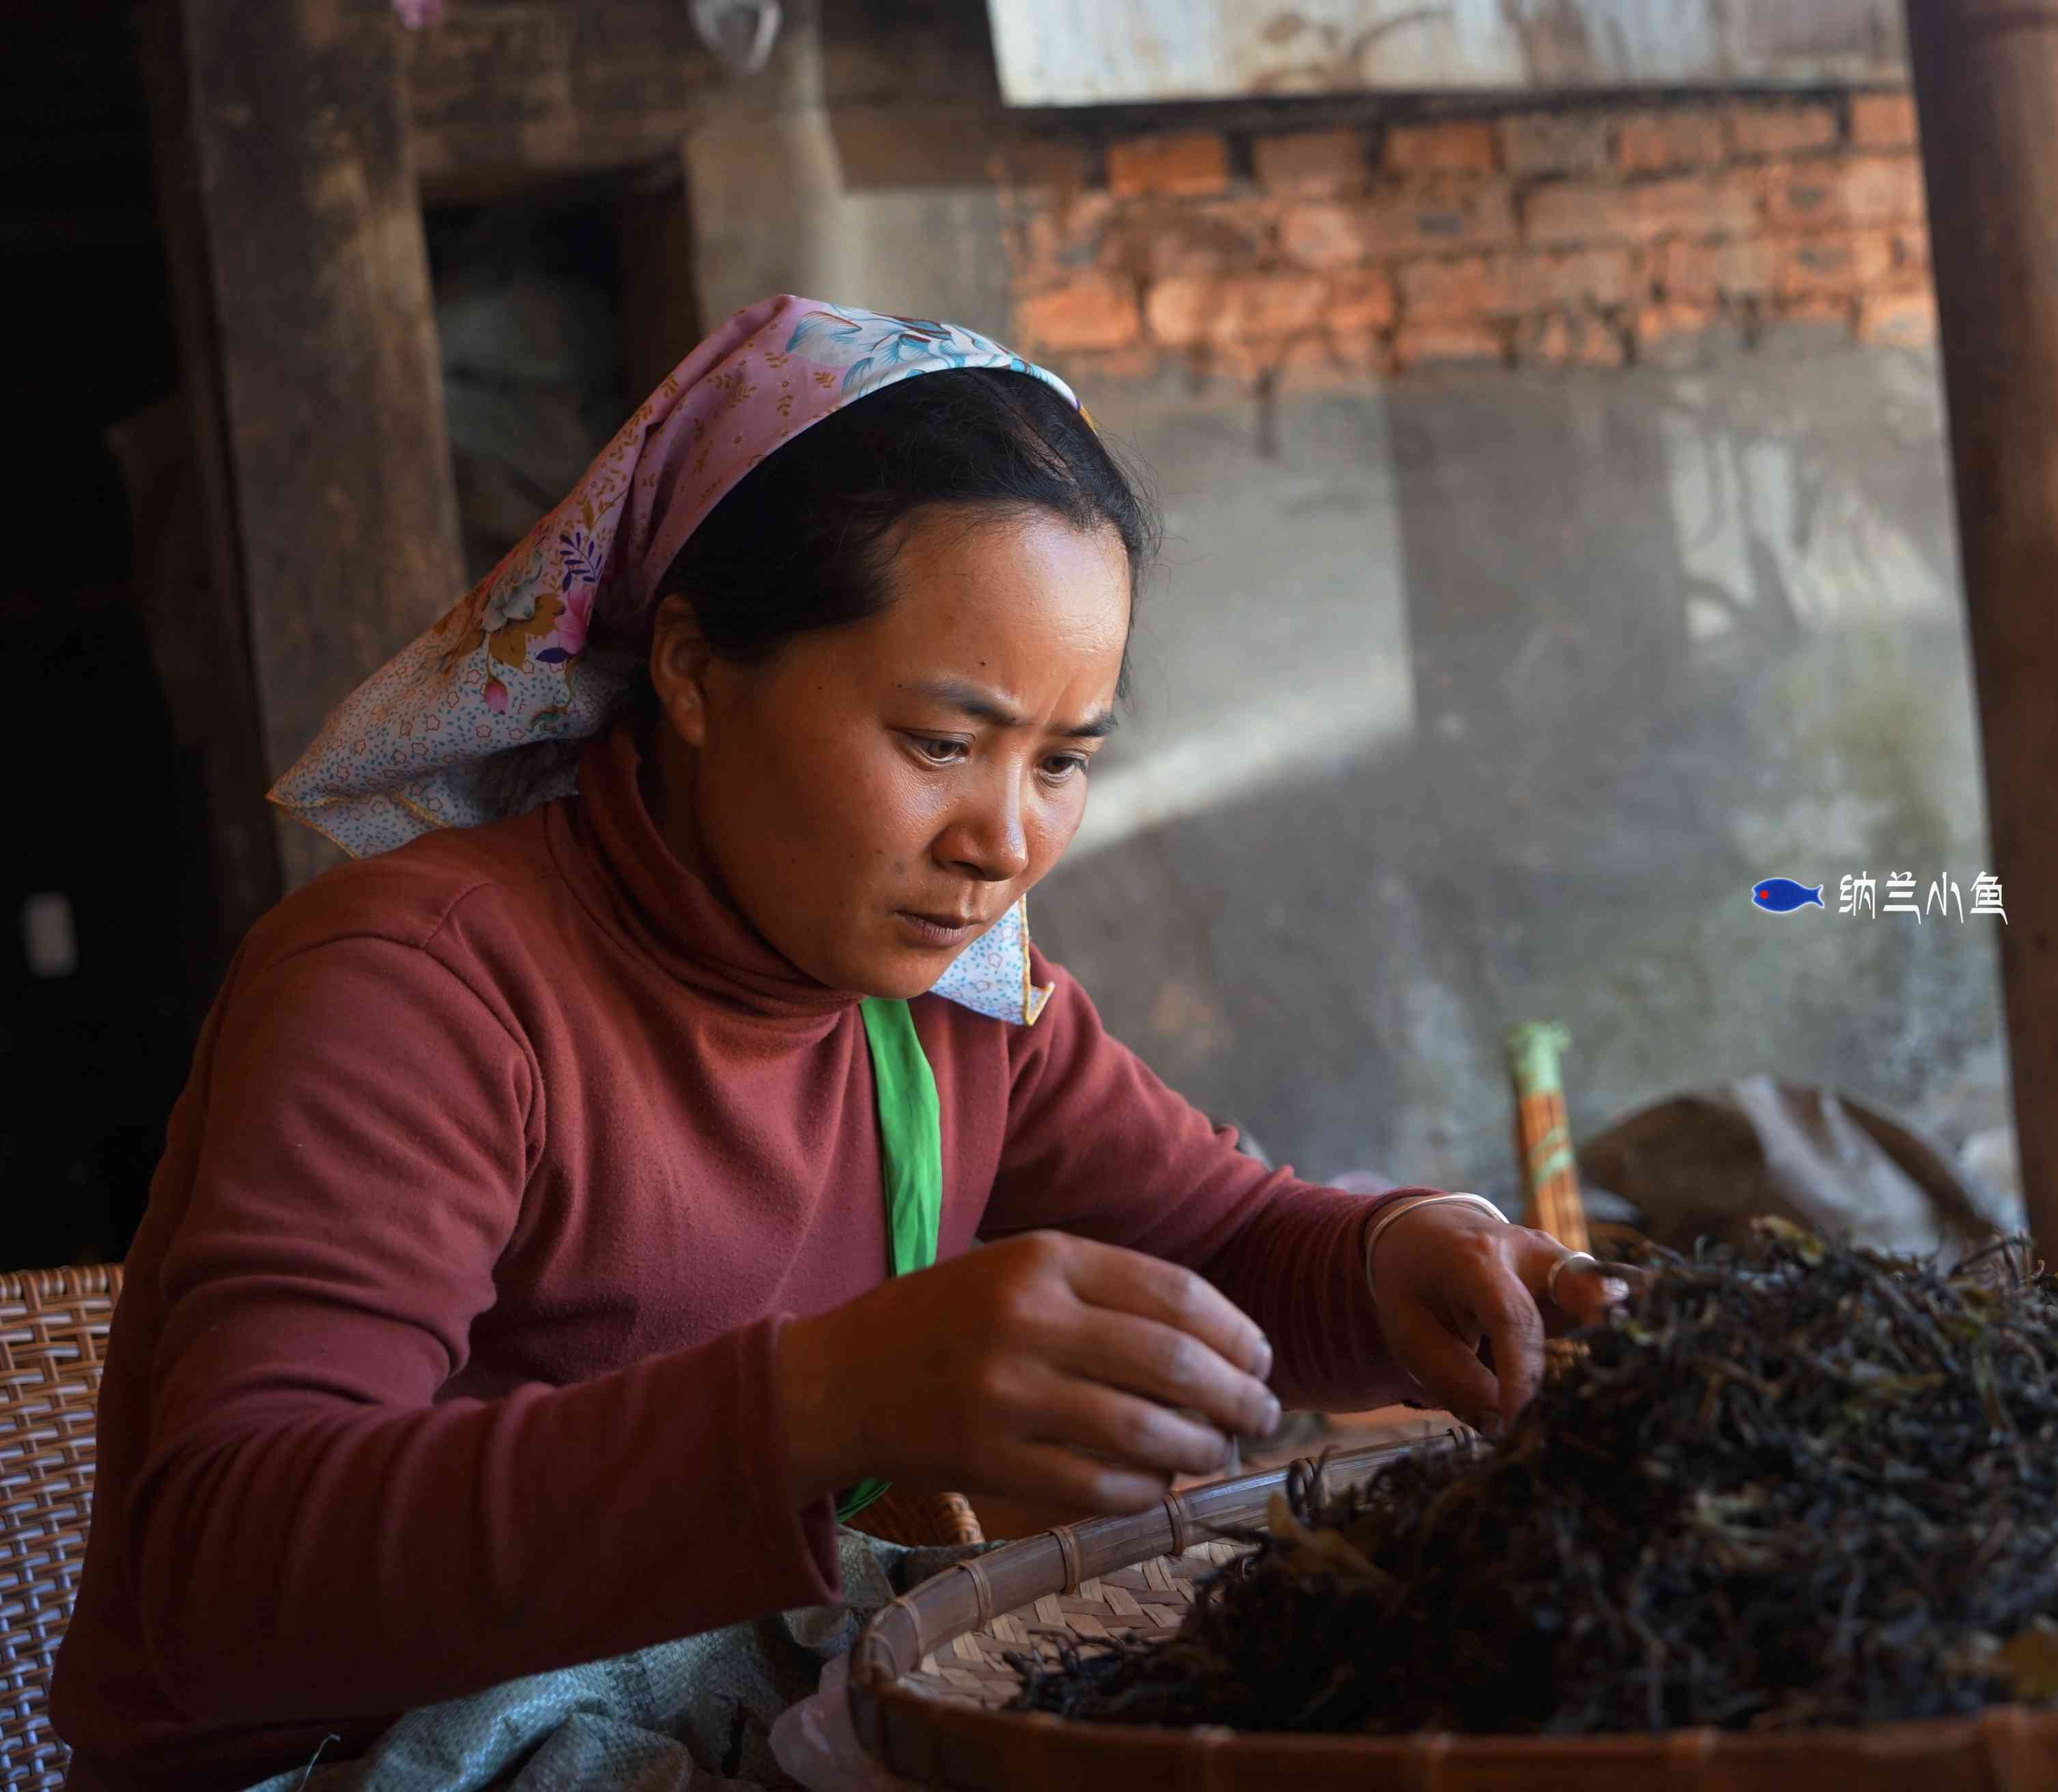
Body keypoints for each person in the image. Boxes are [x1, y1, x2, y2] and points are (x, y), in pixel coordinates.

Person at [49, 298, 1622, 1790]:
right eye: (941, 742)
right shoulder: (418, 990)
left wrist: (1403, 1259)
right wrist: (817, 1405)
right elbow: (223, 1568)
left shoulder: (953, 1005)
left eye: (1063, 760)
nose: (1003, 839)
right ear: (692, 671)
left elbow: (1225, 1238)